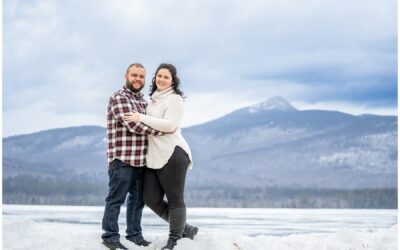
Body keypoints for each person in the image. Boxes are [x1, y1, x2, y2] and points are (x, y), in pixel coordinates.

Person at [123, 63, 198, 250]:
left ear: (173, 81)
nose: (161, 79)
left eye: (166, 77)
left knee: (175, 199)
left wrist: (140, 117)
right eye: (159, 75)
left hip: (173, 153)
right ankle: (185, 229)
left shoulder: (174, 99)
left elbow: (170, 125)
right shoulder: (153, 100)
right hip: (154, 157)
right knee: (151, 199)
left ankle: (174, 241)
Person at [102, 63, 160, 250]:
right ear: (126, 75)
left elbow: (151, 119)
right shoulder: (118, 98)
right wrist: (160, 132)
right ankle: (110, 236)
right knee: (116, 199)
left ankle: (134, 235)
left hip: (142, 160)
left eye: (141, 76)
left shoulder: (144, 101)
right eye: (134, 75)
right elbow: (133, 125)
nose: (138, 79)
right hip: (122, 160)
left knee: (137, 201)